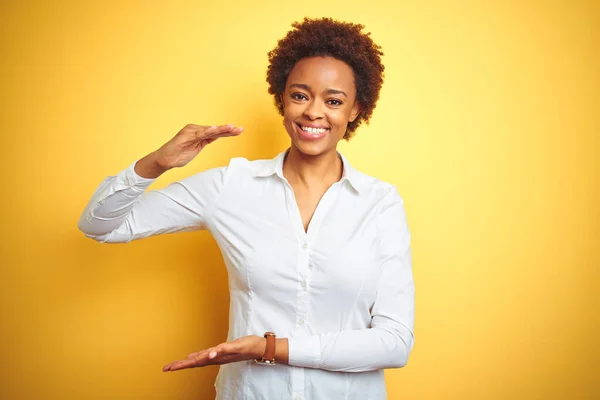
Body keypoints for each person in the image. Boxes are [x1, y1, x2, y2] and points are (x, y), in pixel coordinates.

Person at [78, 17, 415, 400]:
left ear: (356, 110)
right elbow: (99, 226)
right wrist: (156, 162)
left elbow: (394, 341)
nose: (313, 112)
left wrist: (269, 348)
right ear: (282, 99)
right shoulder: (231, 187)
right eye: (300, 95)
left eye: (333, 101)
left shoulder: (381, 203)